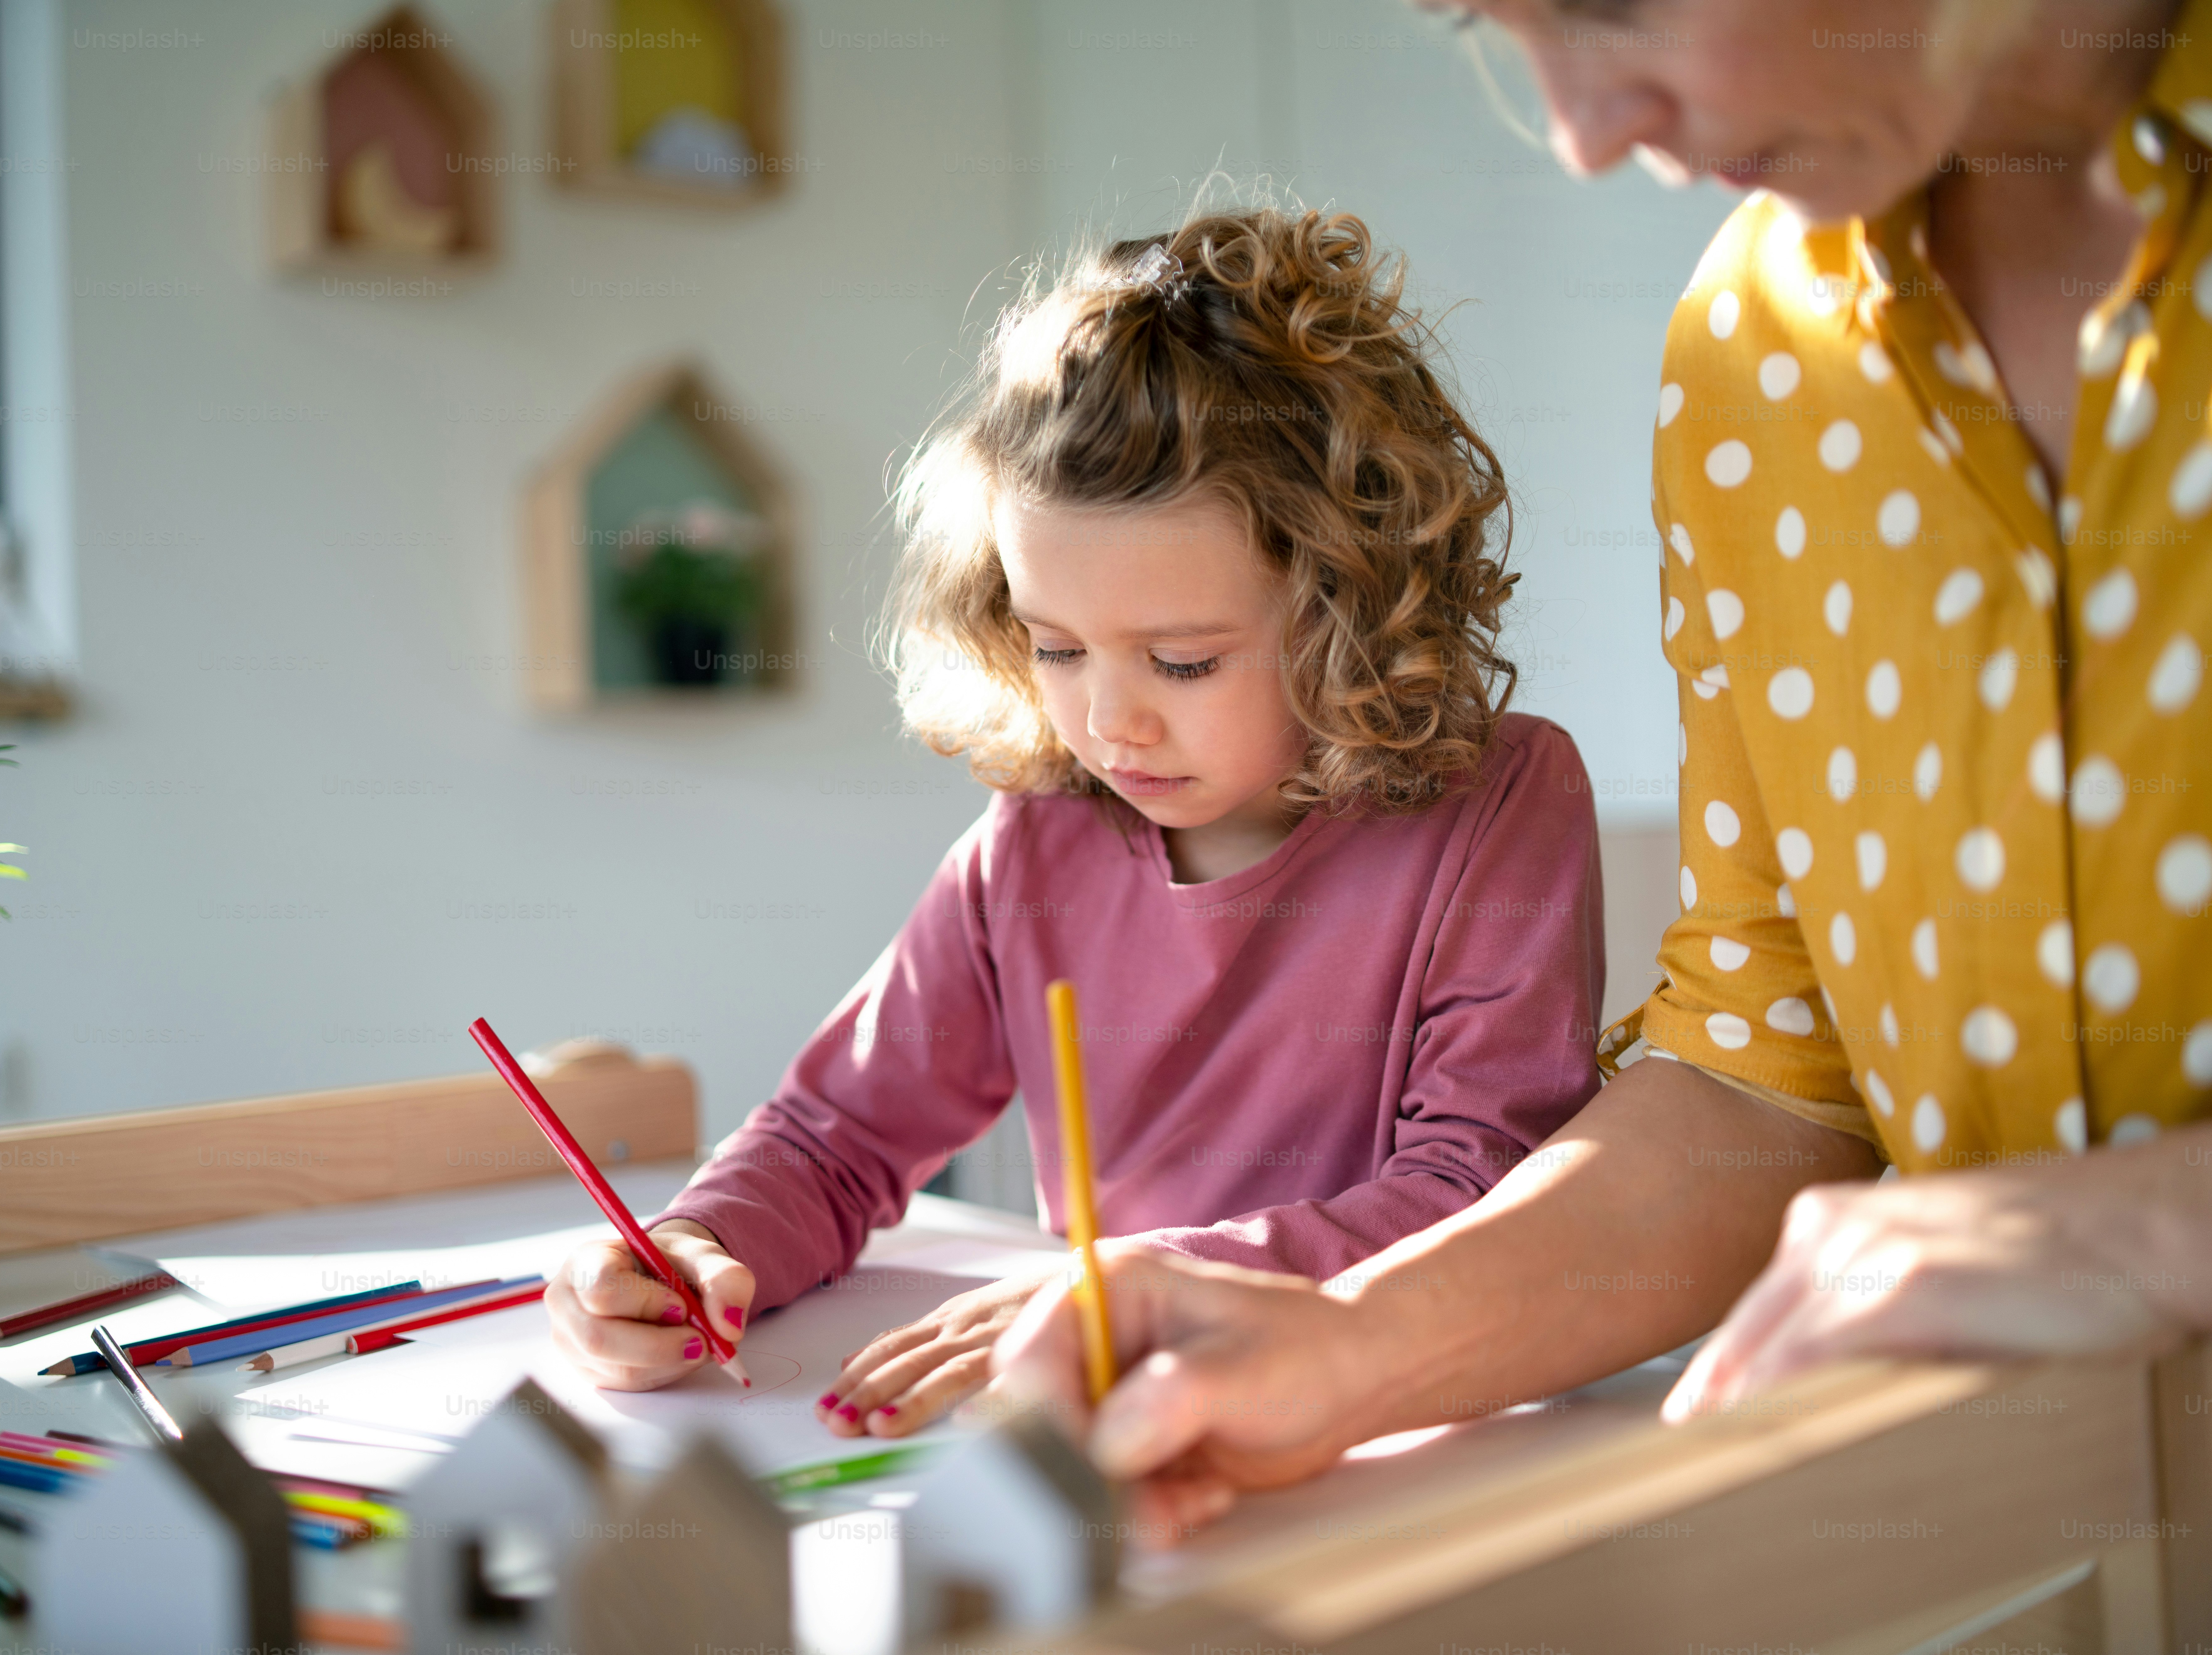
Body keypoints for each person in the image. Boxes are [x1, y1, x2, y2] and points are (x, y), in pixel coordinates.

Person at [992, 0, 2212, 1532]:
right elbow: (1769, 1065)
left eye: (1603, 6)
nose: (1585, 137)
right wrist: (1352, 1345)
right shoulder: (1754, 352)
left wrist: (2167, 1225)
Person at [542, 208, 1612, 1439]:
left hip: (1421, 1426)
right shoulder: (1036, 837)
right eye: (1054, 647)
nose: (1110, 725)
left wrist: (1134, 1292)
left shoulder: (1500, 803)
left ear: (1345, 614)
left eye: (1181, 661)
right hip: (1110, 1427)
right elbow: (836, 1137)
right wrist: (689, 1246)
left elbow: (1472, 1199)